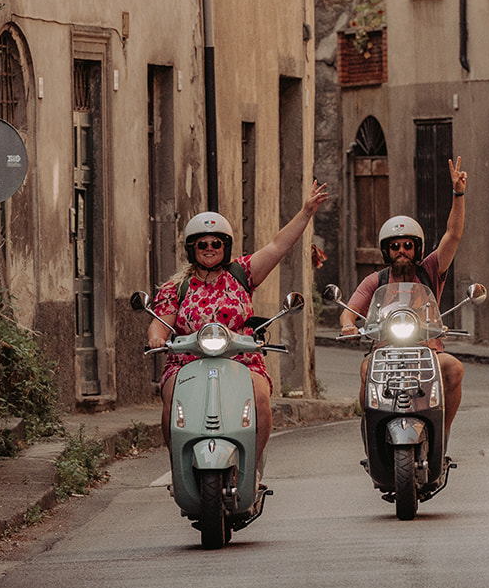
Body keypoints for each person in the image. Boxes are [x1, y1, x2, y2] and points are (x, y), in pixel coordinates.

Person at [149, 181, 330, 470]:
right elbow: (160, 323)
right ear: (191, 249)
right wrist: (157, 339)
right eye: (202, 244)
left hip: (242, 359)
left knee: (260, 399)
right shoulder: (176, 287)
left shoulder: (241, 273)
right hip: (186, 362)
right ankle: (179, 466)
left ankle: (250, 469)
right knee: (172, 400)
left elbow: (277, 246)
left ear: (226, 246)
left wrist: (306, 212)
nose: (209, 249)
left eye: (215, 243)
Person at [341, 156, 469, 440]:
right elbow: (349, 309)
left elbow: (453, 234)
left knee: (455, 369)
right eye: (395, 246)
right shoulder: (376, 280)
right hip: (385, 353)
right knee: (365, 369)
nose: (402, 250)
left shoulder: (431, 271)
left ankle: (442, 434)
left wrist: (458, 193)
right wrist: (348, 324)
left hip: (428, 352)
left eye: (408, 245)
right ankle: (371, 431)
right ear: (386, 251)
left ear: (417, 248)